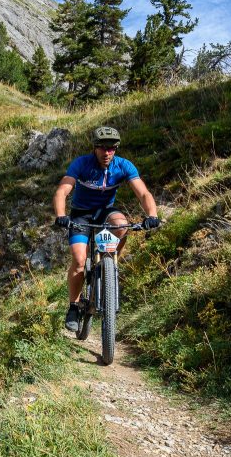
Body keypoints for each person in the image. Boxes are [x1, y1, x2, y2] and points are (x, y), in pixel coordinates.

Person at [52, 126, 160, 332]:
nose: (107, 152)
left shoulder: (123, 166)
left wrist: (152, 216)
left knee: (121, 226)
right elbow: (62, 191)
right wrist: (61, 215)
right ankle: (73, 307)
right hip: (81, 214)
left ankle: (108, 266)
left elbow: (143, 194)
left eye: (112, 148)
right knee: (79, 259)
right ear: (94, 148)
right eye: (103, 148)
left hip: (105, 212)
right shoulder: (82, 164)